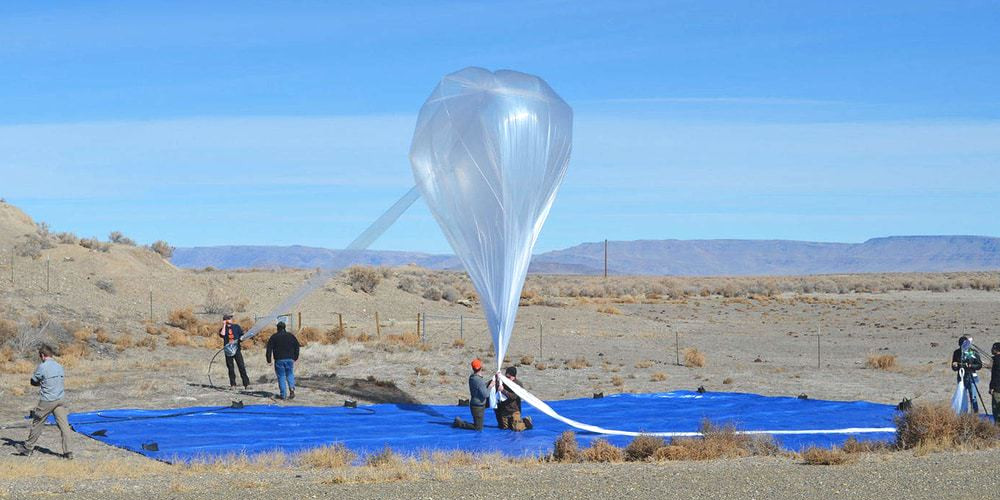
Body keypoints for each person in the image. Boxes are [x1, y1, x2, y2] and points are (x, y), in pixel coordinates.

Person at [16, 344, 73, 459]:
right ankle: (68, 452)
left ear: (42, 355)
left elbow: (33, 381)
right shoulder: (59, 366)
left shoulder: (43, 367)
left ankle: (28, 448)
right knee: (64, 426)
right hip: (60, 399)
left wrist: (39, 382)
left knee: (37, 423)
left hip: (47, 400)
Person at [453, 358, 492, 431]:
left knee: (479, 425)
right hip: (478, 406)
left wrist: (490, 382)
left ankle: (459, 422)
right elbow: (486, 394)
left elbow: (480, 386)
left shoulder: (473, 377)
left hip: (476, 405)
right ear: (481, 367)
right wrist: (490, 386)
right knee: (478, 428)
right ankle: (459, 423)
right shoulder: (479, 380)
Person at [266, 321, 300, 400]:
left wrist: (269, 360)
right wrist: (295, 357)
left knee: (281, 376)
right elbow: (297, 346)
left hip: (279, 360)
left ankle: (283, 395)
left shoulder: (274, 337)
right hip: (290, 359)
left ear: (277, 328)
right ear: (285, 327)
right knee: (290, 374)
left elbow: (269, 349)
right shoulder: (291, 336)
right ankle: (292, 389)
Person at [494, 366, 533, 431]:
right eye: (506, 376)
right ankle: (513, 421)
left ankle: (526, 421)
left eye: (509, 377)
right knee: (504, 427)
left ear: (514, 376)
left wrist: (503, 390)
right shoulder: (504, 381)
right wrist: (497, 379)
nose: (507, 378)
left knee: (517, 428)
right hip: (505, 409)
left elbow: (513, 396)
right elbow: (496, 387)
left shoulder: (518, 384)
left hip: (514, 410)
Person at [952, 336, 983, 413]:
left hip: (972, 377)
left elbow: (979, 365)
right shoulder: (957, 353)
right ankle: (962, 412)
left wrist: (971, 366)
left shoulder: (973, 352)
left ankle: (975, 413)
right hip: (961, 377)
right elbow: (954, 366)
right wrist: (955, 366)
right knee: (962, 396)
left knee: (973, 396)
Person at [219, 314, 250, 390]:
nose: (231, 319)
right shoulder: (223, 329)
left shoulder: (236, 327)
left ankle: (246, 384)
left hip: (237, 349)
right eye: (229, 318)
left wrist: (241, 338)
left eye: (230, 318)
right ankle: (233, 384)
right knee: (231, 368)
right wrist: (224, 325)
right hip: (228, 351)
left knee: (241, 366)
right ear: (225, 320)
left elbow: (242, 336)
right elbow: (222, 335)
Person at [990, 342, 1000, 422]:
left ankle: (997, 428)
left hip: (997, 388)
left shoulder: (995, 360)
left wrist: (991, 387)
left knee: (996, 409)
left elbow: (994, 376)